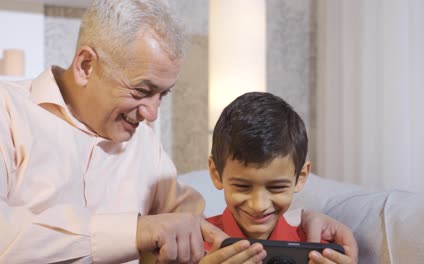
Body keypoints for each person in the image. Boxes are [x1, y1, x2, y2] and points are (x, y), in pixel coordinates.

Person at [0, 1, 357, 263]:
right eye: (141, 91)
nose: (152, 114)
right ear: (86, 65)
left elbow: (200, 228)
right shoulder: (9, 113)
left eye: (162, 95)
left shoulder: (145, 146)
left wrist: (304, 226)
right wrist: (136, 231)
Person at [204, 92, 356, 264]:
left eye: (276, 187)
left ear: (300, 177)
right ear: (216, 173)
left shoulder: (319, 251)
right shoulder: (190, 246)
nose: (259, 205)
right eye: (242, 186)